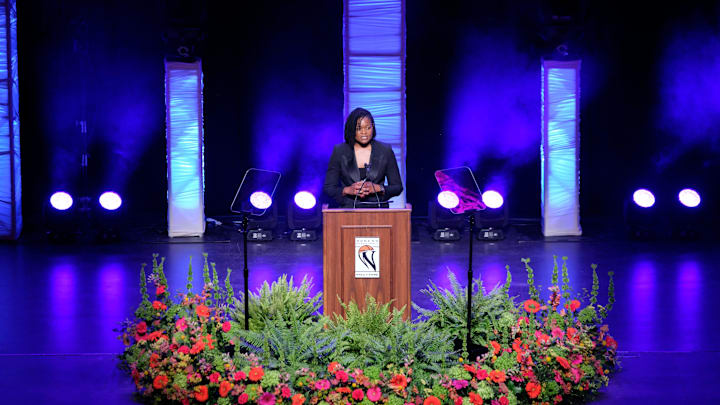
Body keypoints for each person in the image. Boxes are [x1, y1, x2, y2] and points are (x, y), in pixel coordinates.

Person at [323, 107, 403, 208]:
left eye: (368, 127)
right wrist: (347, 190)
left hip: (378, 211)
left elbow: (397, 187)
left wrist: (379, 188)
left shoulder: (385, 150)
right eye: (358, 128)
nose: (364, 132)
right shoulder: (339, 151)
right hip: (348, 211)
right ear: (352, 129)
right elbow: (329, 188)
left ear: (373, 127)